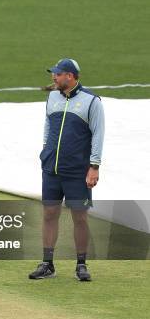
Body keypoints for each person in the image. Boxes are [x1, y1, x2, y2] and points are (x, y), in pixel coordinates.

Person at [29, 58, 105, 282]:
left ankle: (81, 264)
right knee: (49, 214)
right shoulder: (52, 96)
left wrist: (94, 167)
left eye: (57, 74)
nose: (53, 77)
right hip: (51, 168)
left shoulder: (92, 102)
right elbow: (48, 126)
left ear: (70, 76)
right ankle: (47, 263)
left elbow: (98, 135)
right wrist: (45, 151)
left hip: (77, 171)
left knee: (79, 217)